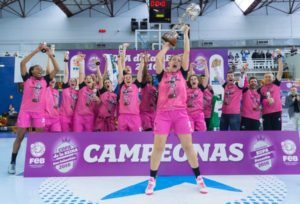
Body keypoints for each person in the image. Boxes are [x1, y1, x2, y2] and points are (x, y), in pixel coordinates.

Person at [145, 25, 207, 195]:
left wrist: (186, 34)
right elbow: (158, 59)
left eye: (180, 62)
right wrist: (166, 47)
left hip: (180, 113)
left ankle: (199, 179)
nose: (178, 62)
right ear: (170, 62)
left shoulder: (183, 74)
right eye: (175, 60)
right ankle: (151, 180)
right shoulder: (161, 74)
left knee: (188, 146)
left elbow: (186, 53)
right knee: (158, 148)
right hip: (163, 114)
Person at [8, 43, 59, 174]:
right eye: (37, 68)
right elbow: (22, 64)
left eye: (41, 68)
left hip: (39, 113)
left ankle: (39, 161)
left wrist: (50, 55)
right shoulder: (27, 79)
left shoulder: (45, 80)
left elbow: (57, 69)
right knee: (19, 137)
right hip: (25, 112)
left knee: (39, 138)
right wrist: (36, 50)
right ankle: (12, 162)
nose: (40, 70)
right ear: (32, 72)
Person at [117, 49, 143, 131]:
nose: (128, 79)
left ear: (132, 79)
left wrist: (142, 60)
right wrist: (119, 58)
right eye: (126, 78)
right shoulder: (121, 86)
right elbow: (120, 71)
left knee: (136, 137)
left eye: (129, 78)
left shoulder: (136, 85)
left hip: (134, 116)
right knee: (121, 138)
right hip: (123, 116)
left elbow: (140, 71)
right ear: (123, 79)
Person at [73, 56, 100, 132]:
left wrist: (98, 100)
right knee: (78, 135)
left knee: (88, 136)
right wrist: (82, 61)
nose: (88, 79)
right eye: (86, 79)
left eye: (90, 78)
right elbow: (81, 73)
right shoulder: (82, 88)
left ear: (93, 81)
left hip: (90, 116)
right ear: (84, 81)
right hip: (79, 116)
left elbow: (99, 104)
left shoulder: (96, 91)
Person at [258, 55, 283, 130]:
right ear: (264, 79)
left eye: (270, 77)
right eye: (266, 77)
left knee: (277, 132)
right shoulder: (260, 89)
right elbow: (258, 101)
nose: (268, 78)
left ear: (273, 78)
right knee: (267, 133)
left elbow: (280, 71)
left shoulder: (276, 83)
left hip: (276, 112)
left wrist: (279, 58)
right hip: (266, 113)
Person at [94, 56, 118, 132]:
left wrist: (107, 60)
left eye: (108, 82)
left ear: (111, 84)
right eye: (105, 83)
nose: (107, 83)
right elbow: (101, 78)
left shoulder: (116, 94)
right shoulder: (103, 91)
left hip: (111, 121)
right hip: (101, 121)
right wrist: (98, 66)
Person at [186, 59, 209, 131]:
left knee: (202, 132)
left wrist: (205, 65)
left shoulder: (201, 89)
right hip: (188, 115)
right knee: (189, 133)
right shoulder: (186, 89)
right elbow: (188, 77)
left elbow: (207, 77)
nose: (193, 80)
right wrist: (190, 68)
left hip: (199, 115)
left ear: (198, 81)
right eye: (192, 79)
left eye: (195, 79)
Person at [60, 51, 78, 132]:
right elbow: (66, 74)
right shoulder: (65, 89)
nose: (72, 81)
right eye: (70, 80)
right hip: (64, 116)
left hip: (75, 116)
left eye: (74, 80)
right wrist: (66, 62)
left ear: (76, 83)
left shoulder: (78, 92)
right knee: (65, 135)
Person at [140, 52, 158, 131]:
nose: (148, 76)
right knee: (148, 131)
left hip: (154, 112)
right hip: (145, 112)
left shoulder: (154, 88)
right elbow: (144, 74)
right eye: (147, 76)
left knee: (155, 132)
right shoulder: (144, 85)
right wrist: (145, 63)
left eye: (150, 76)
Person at [44, 53, 61, 132]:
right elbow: (48, 71)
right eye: (51, 79)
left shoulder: (57, 91)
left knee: (56, 137)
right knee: (45, 140)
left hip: (56, 118)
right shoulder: (46, 88)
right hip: (45, 117)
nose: (52, 79)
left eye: (54, 79)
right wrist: (49, 57)